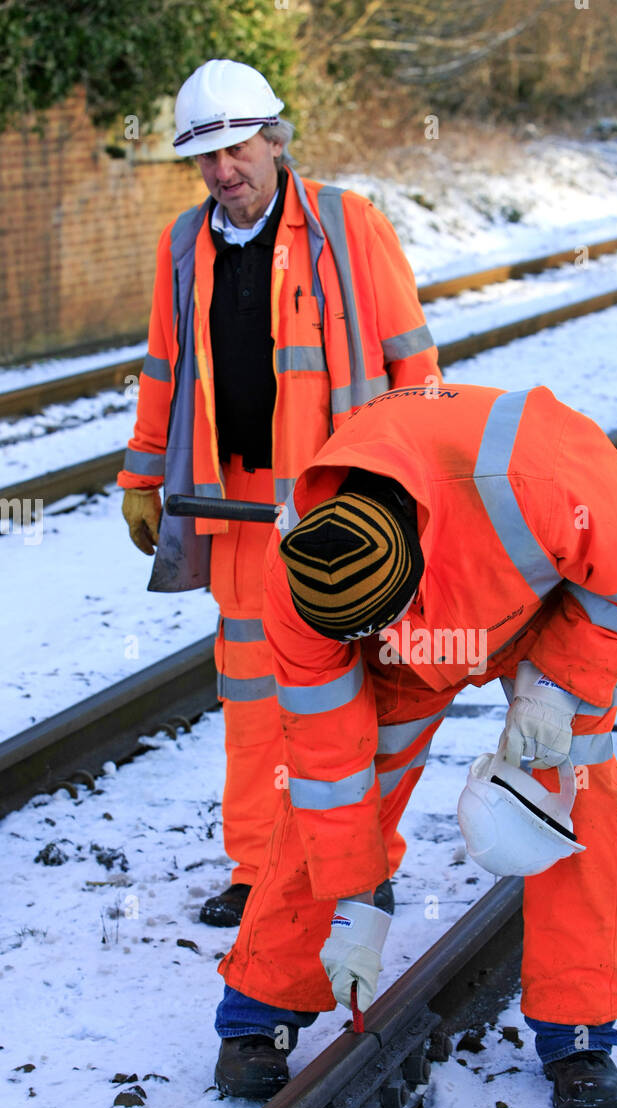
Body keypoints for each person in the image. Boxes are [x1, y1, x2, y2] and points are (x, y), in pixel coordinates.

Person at [213, 381, 617, 1108]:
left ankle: (579, 1030)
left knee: (577, 800)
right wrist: (355, 901)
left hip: (544, 623)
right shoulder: (298, 579)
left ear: (416, 567)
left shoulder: (547, 477)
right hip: (405, 658)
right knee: (336, 798)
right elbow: (328, 766)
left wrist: (559, 688)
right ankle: (257, 1007)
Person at [118, 59, 440, 926]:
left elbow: (414, 363)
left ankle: (362, 865)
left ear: (274, 139)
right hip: (237, 509)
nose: (225, 173)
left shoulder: (348, 225)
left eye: (237, 151)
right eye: (207, 160)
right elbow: (163, 369)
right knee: (255, 701)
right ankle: (259, 869)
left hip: (345, 508)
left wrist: (411, 489)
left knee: (357, 689)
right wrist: (143, 476)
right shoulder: (184, 244)